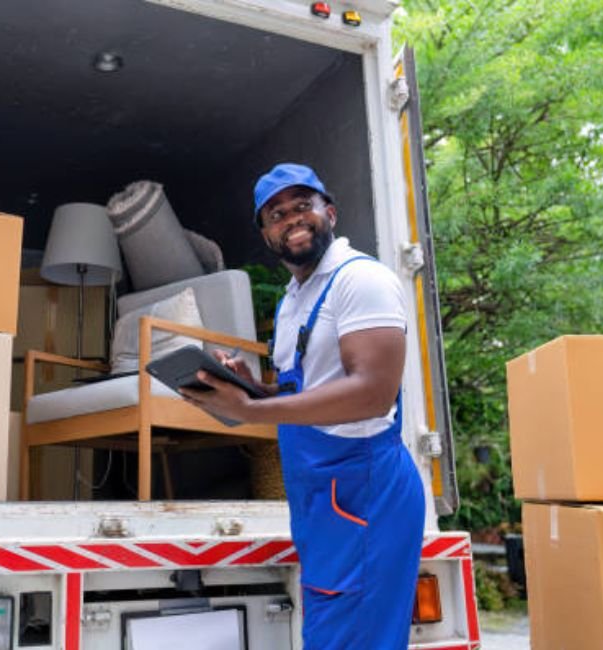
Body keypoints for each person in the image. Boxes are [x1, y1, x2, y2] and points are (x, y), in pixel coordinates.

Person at [181, 163, 425, 649]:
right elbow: (304, 392)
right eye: (276, 213)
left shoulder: (361, 280)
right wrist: (253, 390)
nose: (291, 218)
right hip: (322, 498)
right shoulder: (294, 300)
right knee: (329, 634)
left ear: (328, 212)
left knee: (353, 639)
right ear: (266, 233)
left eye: (302, 206)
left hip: (364, 494)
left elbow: (371, 394)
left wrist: (252, 413)